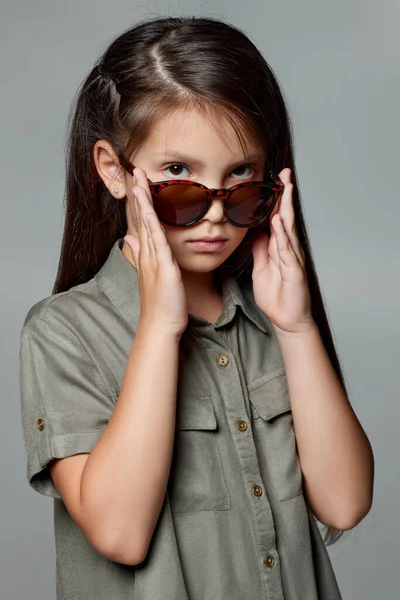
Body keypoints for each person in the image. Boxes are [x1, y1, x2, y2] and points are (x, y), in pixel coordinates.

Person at [19, 15, 374, 600]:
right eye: (178, 174)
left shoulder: (269, 321)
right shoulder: (64, 332)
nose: (213, 213)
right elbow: (121, 533)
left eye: (240, 177)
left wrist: (297, 326)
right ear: (114, 170)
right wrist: (160, 327)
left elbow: (345, 502)